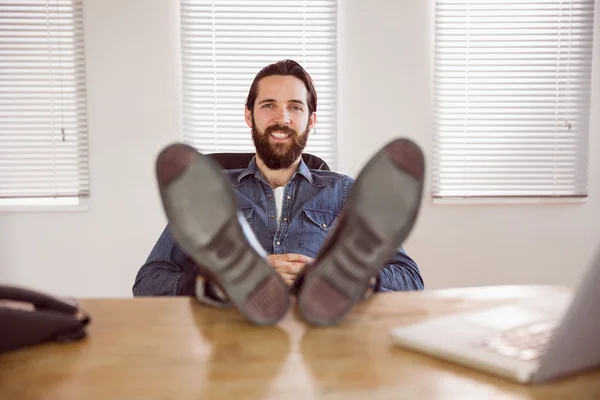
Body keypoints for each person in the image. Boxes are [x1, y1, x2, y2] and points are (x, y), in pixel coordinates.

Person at [133, 59, 425, 326]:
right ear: (250, 116)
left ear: (311, 120)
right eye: (269, 105)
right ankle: (226, 283)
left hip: (319, 336)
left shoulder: (342, 190)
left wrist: (348, 280)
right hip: (233, 336)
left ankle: (330, 282)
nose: (282, 118)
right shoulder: (208, 193)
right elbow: (147, 283)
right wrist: (214, 284)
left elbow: (411, 280)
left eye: (295, 107)